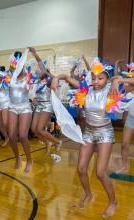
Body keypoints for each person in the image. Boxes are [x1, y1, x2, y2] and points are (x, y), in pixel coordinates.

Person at [51, 58, 119, 218]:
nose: (96, 82)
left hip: (105, 133)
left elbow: (123, 79)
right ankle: (88, 194)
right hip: (88, 132)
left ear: (107, 78)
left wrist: (118, 80)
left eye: (100, 78)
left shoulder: (111, 90)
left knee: (100, 173)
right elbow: (66, 78)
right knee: (81, 169)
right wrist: (55, 78)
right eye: (93, 78)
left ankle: (113, 202)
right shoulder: (86, 89)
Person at [28, 47, 62, 154]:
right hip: (39, 106)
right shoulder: (36, 82)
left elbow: (41, 64)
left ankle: (57, 142)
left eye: (39, 70)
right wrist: (34, 99)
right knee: (34, 129)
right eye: (36, 70)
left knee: (40, 129)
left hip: (47, 106)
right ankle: (47, 143)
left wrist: (35, 54)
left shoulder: (49, 81)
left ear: (44, 72)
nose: (36, 71)